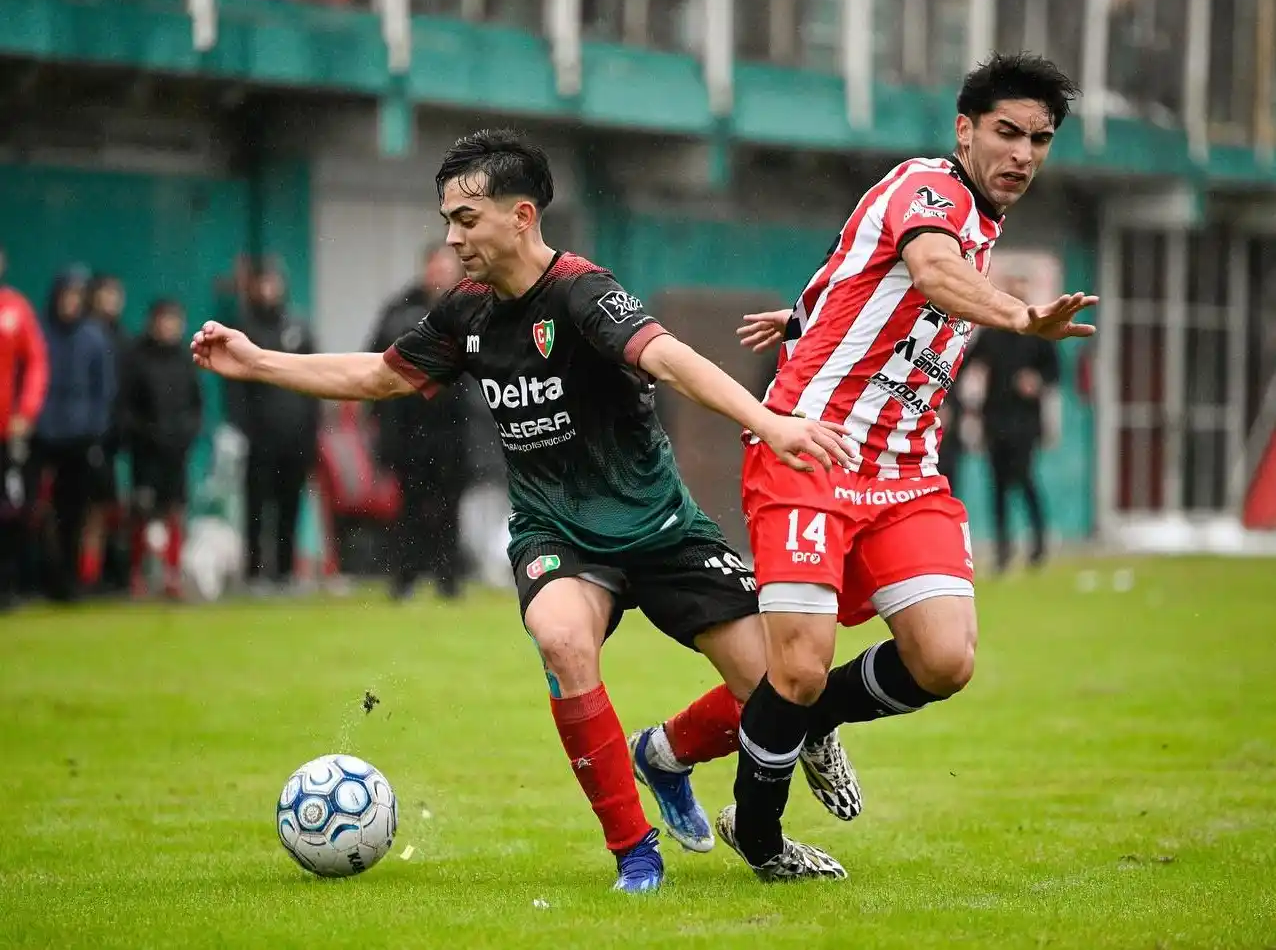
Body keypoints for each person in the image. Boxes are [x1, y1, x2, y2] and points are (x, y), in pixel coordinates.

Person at [193, 128, 858, 892]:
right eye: (447, 220)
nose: (453, 237)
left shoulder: (583, 292)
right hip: (557, 532)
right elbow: (380, 375)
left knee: (779, 687)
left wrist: (771, 423)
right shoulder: (464, 313)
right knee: (562, 640)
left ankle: (666, 755)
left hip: (660, 527)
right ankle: (634, 852)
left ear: (521, 216)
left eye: (466, 218)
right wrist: (257, 361)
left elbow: (668, 358)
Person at [725, 53, 1095, 878]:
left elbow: (866, 276)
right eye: (1006, 132)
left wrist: (803, 316)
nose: (1023, 153)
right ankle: (759, 836)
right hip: (810, 448)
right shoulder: (931, 187)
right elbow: (928, 268)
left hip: (903, 468)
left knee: (944, 658)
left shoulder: (978, 223)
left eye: (1039, 139)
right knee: (797, 666)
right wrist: (1021, 316)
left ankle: (808, 722)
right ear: (965, 130)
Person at [365, 245, 468, 600]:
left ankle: (448, 579)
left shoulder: (474, 308)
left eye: (447, 268)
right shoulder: (399, 312)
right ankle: (405, 578)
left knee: (449, 508)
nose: (441, 274)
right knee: (409, 507)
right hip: (409, 431)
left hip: (455, 432)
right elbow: (374, 365)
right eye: (436, 267)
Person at [228, 263, 320, 592]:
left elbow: (315, 379)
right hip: (259, 438)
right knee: (256, 506)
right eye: (263, 283)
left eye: (273, 282)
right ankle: (254, 573)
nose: (269, 290)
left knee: (289, 505)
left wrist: (312, 432)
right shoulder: (244, 330)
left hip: (295, 437)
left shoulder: (298, 327)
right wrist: (242, 429)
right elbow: (235, 388)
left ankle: (284, 572)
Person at [963, 274, 1060, 572]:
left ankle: (1039, 543)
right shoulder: (992, 332)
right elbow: (964, 363)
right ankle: (1003, 549)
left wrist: (1037, 381)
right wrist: (964, 403)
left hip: (1025, 422)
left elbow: (1055, 372)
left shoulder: (1038, 332)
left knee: (1025, 479)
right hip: (995, 420)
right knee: (998, 486)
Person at [32, 269, 117, 602]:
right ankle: (35, 578)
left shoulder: (94, 337)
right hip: (41, 436)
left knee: (74, 513)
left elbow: (104, 390)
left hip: (80, 439)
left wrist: (94, 430)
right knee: (32, 510)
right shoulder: (40, 332)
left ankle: (70, 580)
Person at [121, 299, 203, 598]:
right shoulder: (136, 358)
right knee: (142, 512)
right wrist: (145, 434)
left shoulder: (185, 360)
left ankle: (172, 575)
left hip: (176, 452)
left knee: (175, 511)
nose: (169, 326)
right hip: (146, 451)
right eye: (164, 320)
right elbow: (125, 407)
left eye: (174, 320)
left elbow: (196, 405)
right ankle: (137, 574)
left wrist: (186, 434)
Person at [0, 247, 48, 611]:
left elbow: (36, 363)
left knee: (11, 509)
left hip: (6, 433)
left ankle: (8, 585)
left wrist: (25, 412)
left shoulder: (14, 309)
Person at [84, 274, 130, 591]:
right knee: (84, 511)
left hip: (114, 436)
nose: (111, 301)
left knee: (108, 508)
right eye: (105, 294)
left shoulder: (123, 339)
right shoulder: (84, 334)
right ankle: (82, 575)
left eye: (115, 295)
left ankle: (107, 574)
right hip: (82, 435)